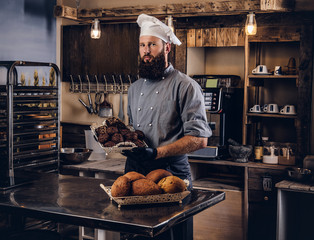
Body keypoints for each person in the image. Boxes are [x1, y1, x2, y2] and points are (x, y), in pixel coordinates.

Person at [121, 14, 212, 240]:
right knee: (134, 234)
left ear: (167, 48)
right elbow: (137, 130)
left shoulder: (186, 86)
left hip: (170, 174)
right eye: (142, 45)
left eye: (152, 44)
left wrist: (157, 152)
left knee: (169, 236)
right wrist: (127, 142)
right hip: (135, 172)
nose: (146, 51)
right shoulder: (134, 88)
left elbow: (199, 139)